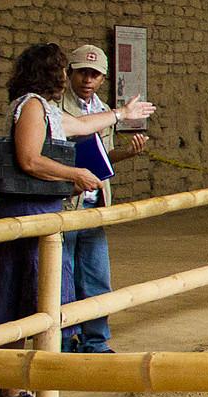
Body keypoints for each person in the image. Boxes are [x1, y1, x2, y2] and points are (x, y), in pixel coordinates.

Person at [0, 43, 157, 397]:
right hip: (25, 212)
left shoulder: (46, 109)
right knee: (16, 298)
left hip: (42, 211)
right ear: (48, 73)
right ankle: (11, 387)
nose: (66, 77)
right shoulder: (31, 106)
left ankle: (26, 378)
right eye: (61, 70)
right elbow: (29, 159)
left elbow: (83, 126)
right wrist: (74, 173)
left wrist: (122, 114)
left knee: (36, 299)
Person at [57, 43, 148, 354]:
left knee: (96, 276)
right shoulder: (57, 108)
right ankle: (62, 342)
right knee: (62, 278)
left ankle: (95, 341)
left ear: (103, 79)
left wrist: (126, 153)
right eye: (82, 72)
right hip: (67, 205)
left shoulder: (103, 109)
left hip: (94, 205)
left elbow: (103, 157)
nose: (87, 80)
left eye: (94, 75)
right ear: (70, 73)